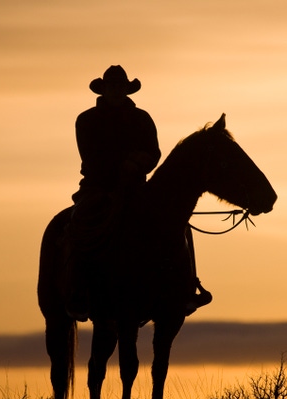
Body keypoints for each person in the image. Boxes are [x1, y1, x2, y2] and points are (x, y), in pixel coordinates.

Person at [65, 65, 211, 319]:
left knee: (179, 225)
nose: (116, 91)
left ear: (126, 89)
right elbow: (89, 156)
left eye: (120, 87)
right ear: (104, 89)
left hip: (136, 186)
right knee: (81, 224)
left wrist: (138, 164)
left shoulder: (142, 118)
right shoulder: (86, 120)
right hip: (97, 186)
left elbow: (154, 152)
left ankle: (187, 287)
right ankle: (78, 291)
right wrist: (123, 163)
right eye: (112, 86)